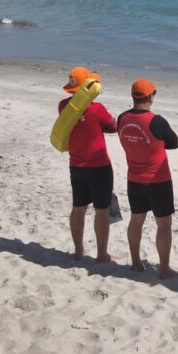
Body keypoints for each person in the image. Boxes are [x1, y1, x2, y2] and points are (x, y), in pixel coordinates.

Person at [117, 79, 178, 278]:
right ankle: (164, 268)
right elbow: (174, 142)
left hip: (134, 179)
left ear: (132, 96)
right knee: (163, 224)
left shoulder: (122, 118)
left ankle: (136, 262)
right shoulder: (156, 121)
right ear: (151, 96)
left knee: (136, 220)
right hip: (157, 180)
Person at [58, 68, 117, 262]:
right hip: (99, 165)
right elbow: (113, 126)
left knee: (78, 208)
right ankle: (102, 254)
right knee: (102, 210)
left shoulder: (62, 107)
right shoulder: (97, 109)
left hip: (76, 165)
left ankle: (78, 250)